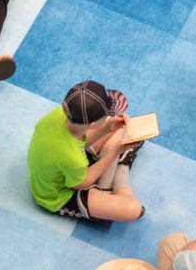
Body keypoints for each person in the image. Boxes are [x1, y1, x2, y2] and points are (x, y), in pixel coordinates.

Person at [27, 80, 145, 221]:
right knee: (134, 210)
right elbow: (82, 183)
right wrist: (116, 152)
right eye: (106, 114)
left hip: (67, 165)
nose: (110, 115)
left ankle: (108, 179)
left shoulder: (59, 113)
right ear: (92, 124)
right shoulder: (74, 159)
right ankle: (120, 168)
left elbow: (78, 144)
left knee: (119, 126)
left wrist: (107, 128)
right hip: (59, 195)